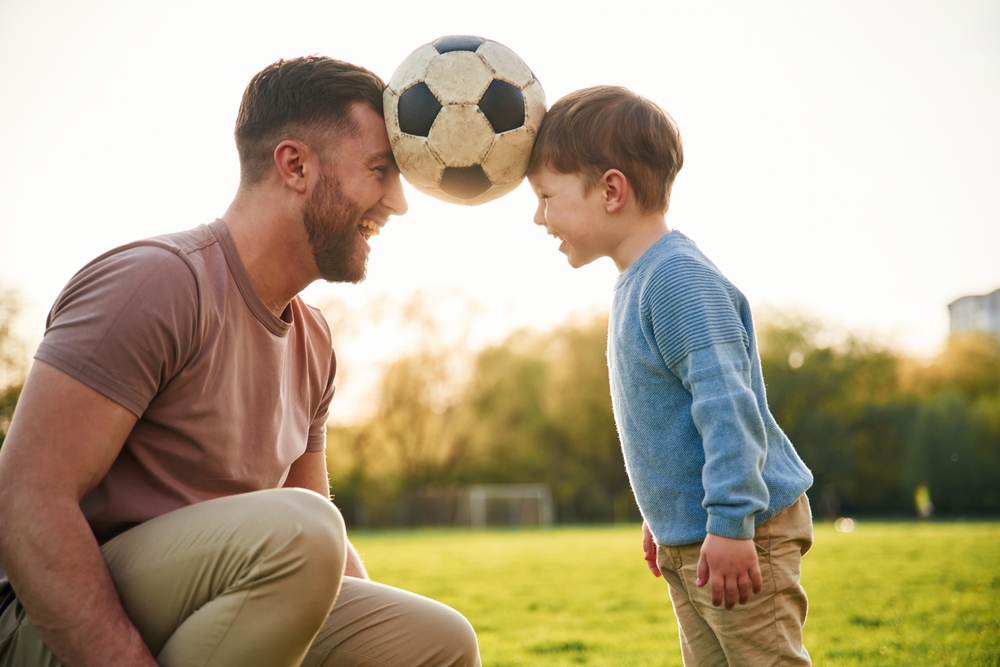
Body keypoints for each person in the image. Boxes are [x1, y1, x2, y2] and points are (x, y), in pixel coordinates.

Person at [0, 56, 480, 667]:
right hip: (47, 624)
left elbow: (325, 546)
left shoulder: (314, 339)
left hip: (211, 606)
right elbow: (24, 498)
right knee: (301, 532)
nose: (398, 204)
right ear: (295, 165)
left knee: (437, 641)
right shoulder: (157, 283)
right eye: (379, 171)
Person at [525, 86, 815, 666]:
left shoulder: (676, 279)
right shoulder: (638, 280)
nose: (539, 217)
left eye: (546, 196)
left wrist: (730, 523)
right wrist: (666, 518)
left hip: (743, 531)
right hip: (698, 535)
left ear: (611, 190)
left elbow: (726, 405)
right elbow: (667, 422)